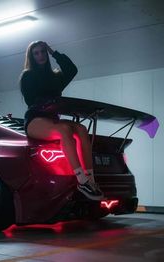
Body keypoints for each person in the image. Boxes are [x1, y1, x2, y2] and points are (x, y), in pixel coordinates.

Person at [20, 40, 103, 200]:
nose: (40, 55)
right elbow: (31, 101)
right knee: (64, 130)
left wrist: (53, 52)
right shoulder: (28, 76)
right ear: (32, 56)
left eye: (43, 51)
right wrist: (52, 103)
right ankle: (81, 180)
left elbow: (72, 69)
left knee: (81, 129)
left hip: (52, 119)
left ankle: (90, 179)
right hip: (35, 120)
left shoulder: (55, 77)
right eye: (36, 53)